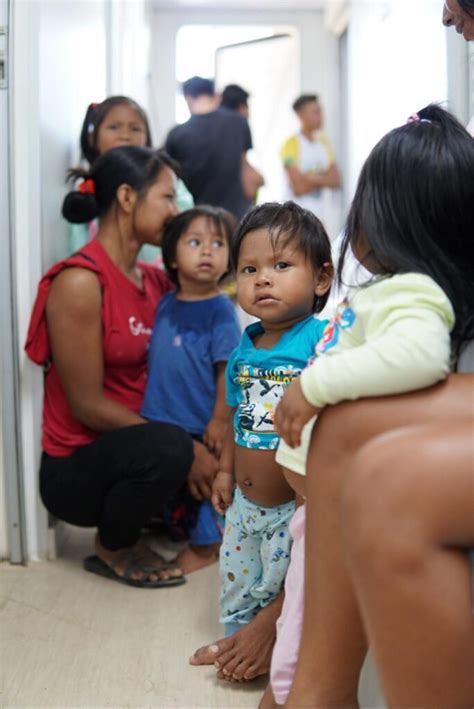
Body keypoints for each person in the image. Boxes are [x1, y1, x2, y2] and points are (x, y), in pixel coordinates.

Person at [273, 106, 474, 706]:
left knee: (291, 657)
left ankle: (309, 696)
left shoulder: (413, 294)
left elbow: (416, 355)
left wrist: (312, 389)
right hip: (312, 502)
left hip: (325, 500)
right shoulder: (389, 292)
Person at [25, 146, 219, 588]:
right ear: (128, 198)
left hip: (136, 444)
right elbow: (87, 406)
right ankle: (112, 546)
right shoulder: (80, 282)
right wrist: (188, 451)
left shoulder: (154, 281)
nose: (176, 210)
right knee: (172, 447)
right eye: (168, 198)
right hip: (76, 470)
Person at [211, 201, 332, 638]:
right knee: (238, 578)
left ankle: (277, 647)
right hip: (244, 506)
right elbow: (233, 417)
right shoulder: (245, 346)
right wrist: (224, 471)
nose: (263, 278)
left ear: (321, 277)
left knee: (289, 584)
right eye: (249, 269)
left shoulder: (319, 339)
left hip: (291, 507)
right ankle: (236, 638)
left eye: (281, 265)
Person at [140, 205, 241, 573]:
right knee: (173, 485)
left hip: (201, 423)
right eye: (195, 242)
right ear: (172, 256)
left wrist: (218, 419)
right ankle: (170, 525)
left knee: (205, 487)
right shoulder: (166, 302)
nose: (207, 251)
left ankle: (204, 546)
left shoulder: (220, 310)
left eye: (218, 243)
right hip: (160, 420)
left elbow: (227, 369)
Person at [68, 96, 193, 258]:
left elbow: (184, 221)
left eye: (135, 129)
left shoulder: (167, 179)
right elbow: (77, 244)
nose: (125, 136)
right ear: (93, 138)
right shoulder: (88, 187)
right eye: (114, 127)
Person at [165, 76, 254, 219]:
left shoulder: (177, 134)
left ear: (188, 98)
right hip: (236, 216)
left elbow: (171, 182)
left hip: (196, 219)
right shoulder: (239, 123)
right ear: (214, 95)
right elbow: (245, 170)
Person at [280, 94, 341, 224]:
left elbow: (336, 180)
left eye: (320, 111)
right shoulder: (290, 144)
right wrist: (322, 177)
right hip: (296, 220)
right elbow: (298, 188)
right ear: (301, 115)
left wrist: (308, 177)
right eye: (316, 112)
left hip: (320, 219)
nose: (321, 116)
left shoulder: (324, 142)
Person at [221, 83, 265, 205]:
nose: (249, 113)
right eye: (247, 107)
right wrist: (260, 179)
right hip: (234, 205)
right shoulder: (239, 124)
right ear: (241, 107)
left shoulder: (207, 126)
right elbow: (244, 167)